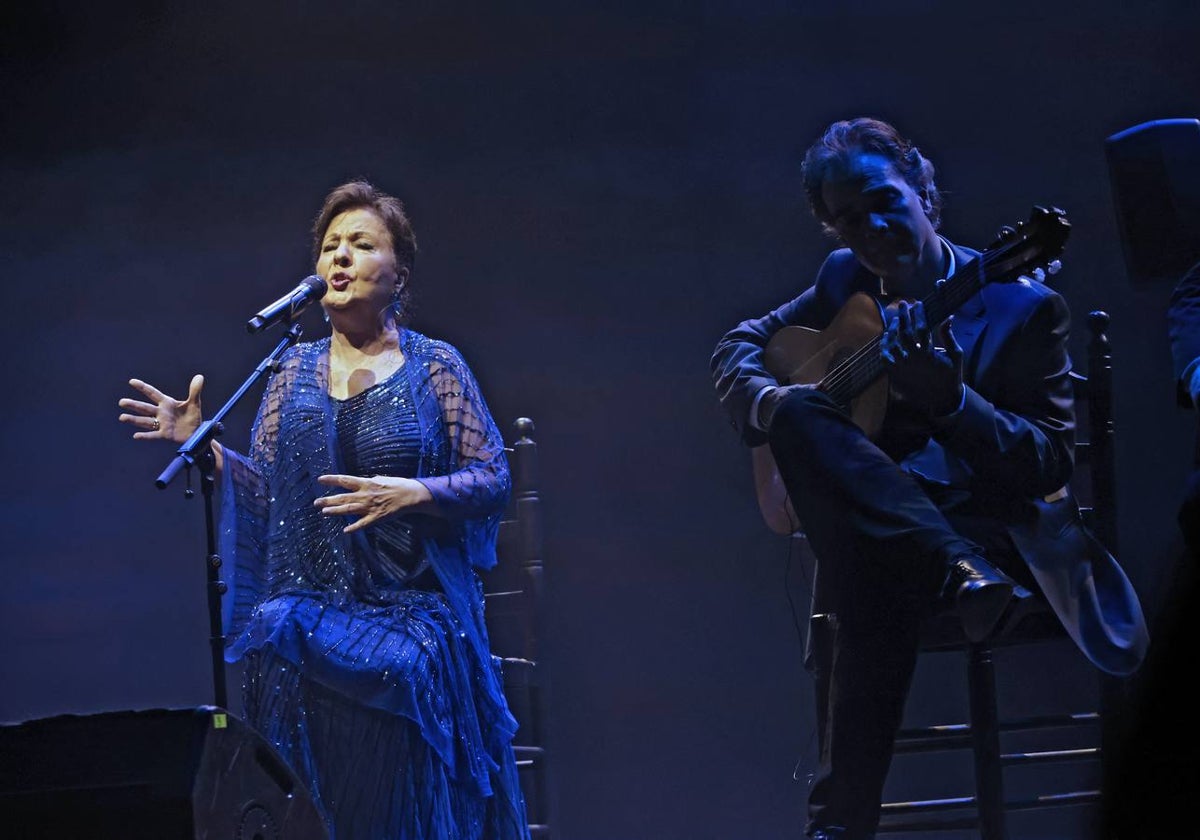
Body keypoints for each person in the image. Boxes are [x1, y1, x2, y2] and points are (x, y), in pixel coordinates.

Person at [710, 117, 1149, 839]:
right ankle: (948, 571)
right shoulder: (842, 283)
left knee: (870, 569)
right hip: (933, 554)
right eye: (850, 219)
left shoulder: (1025, 306)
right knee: (799, 422)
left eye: (884, 200)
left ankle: (837, 828)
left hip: (997, 538)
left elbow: (1046, 465)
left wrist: (951, 402)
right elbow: (738, 344)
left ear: (922, 189)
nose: (874, 227)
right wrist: (768, 400)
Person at [118, 180, 530, 840]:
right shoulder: (289, 371)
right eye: (330, 246)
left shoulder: (436, 366)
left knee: (404, 667)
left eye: (361, 244)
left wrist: (415, 493)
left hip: (414, 609)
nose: (339, 257)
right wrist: (206, 449)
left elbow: (491, 478)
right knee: (273, 632)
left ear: (398, 275)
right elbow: (269, 495)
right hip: (316, 599)